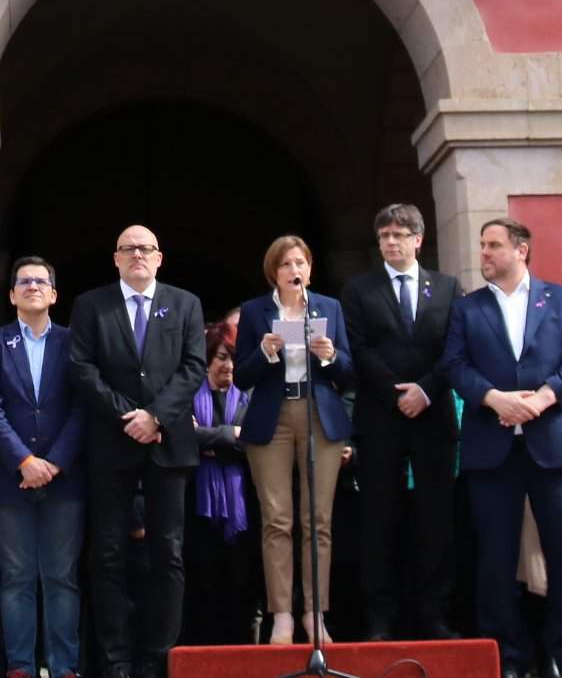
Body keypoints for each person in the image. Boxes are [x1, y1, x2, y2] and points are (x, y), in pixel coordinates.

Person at [443, 216, 562, 678]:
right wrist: (495, 399)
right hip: (492, 447)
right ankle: (507, 658)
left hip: (552, 444)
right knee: (495, 557)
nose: (484, 254)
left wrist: (545, 397)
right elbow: (454, 363)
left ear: (521, 251)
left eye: (493, 246)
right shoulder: (468, 308)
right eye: (483, 245)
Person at [67, 224, 206, 678]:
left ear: (160, 258)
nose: (138, 256)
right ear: (116, 258)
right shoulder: (92, 305)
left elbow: (193, 367)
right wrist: (129, 416)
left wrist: (156, 417)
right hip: (112, 443)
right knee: (107, 554)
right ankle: (115, 661)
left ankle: (157, 657)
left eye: (146, 249)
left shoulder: (185, 304)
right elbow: (83, 369)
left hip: (168, 444)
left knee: (168, 553)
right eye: (129, 249)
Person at [339, 203, 460, 642]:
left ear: (418, 240)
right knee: (379, 520)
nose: (391, 241)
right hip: (381, 417)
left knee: (435, 520)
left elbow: (454, 348)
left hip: (433, 417)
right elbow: (358, 348)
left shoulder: (447, 288)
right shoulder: (359, 288)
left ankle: (433, 614)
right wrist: (398, 393)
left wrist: (425, 390)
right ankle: (380, 618)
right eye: (384, 235)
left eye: (399, 234)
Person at [231, 235, 353, 646]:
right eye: (286, 265)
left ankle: (314, 613)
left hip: (319, 414)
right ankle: (281, 613)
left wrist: (330, 355)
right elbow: (241, 376)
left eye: (300, 263)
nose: (293, 271)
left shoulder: (329, 308)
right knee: (277, 519)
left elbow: (349, 373)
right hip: (273, 416)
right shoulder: (254, 311)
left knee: (317, 520)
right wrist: (264, 352)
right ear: (274, 272)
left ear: (310, 269)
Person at [0, 255, 84, 678]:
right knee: (16, 577)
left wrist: (53, 462)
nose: (33, 287)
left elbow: (81, 409)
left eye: (41, 282)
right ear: (12, 293)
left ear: (54, 295)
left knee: (61, 577)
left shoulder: (73, 343)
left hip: (64, 480)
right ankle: (20, 665)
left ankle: (63, 666)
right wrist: (23, 460)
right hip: (9, 479)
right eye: (24, 281)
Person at [185, 325, 257, 649]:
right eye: (221, 357)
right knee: (203, 581)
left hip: (243, 505)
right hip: (197, 504)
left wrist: (209, 439)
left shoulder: (249, 395)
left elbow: (255, 439)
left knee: (240, 582)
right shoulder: (188, 394)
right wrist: (231, 435)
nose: (227, 366)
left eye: (232, 359)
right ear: (207, 359)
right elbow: (185, 437)